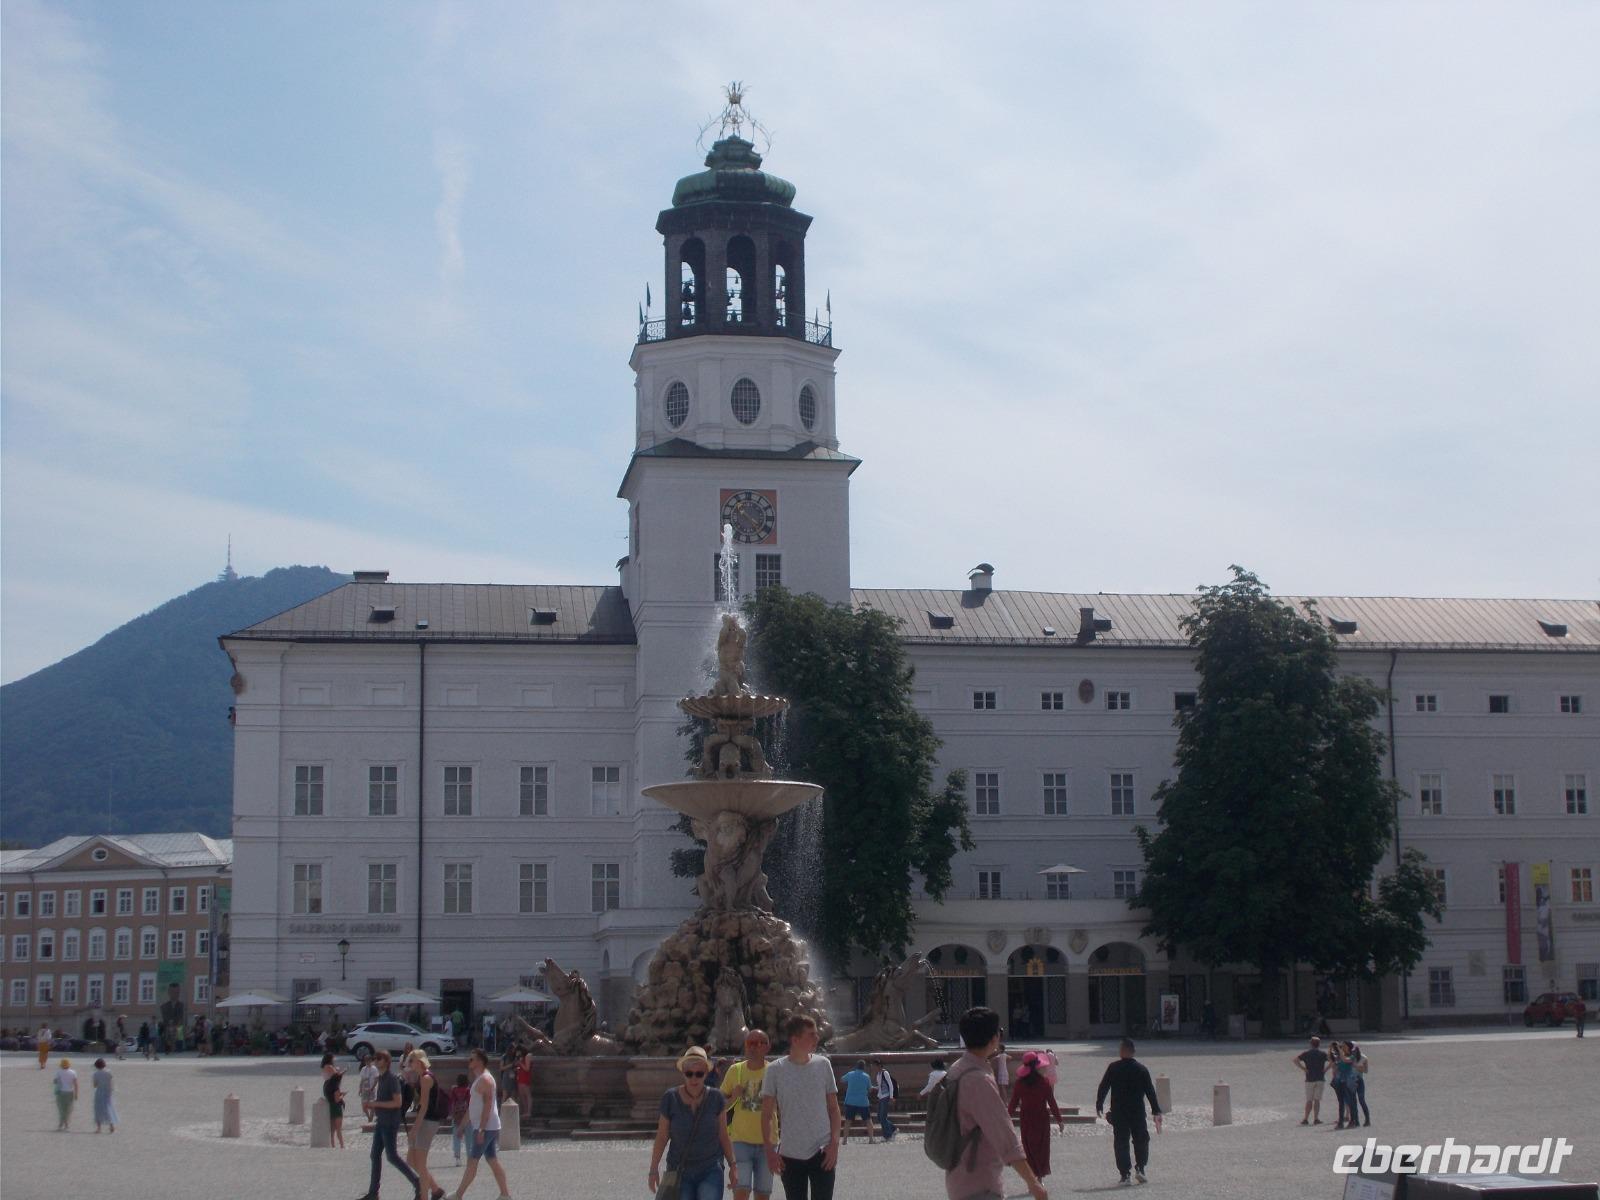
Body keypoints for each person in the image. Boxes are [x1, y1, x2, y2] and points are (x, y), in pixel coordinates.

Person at [940, 1007, 1048, 1200]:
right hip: (980, 1182)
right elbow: (1004, 1135)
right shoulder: (979, 1080)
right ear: (994, 1038)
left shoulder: (956, 1069)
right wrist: (1033, 1182)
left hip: (958, 1176)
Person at [760, 1014, 841, 1200]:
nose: (817, 1038)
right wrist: (769, 1150)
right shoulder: (774, 1070)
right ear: (795, 1040)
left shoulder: (823, 1065)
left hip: (822, 1150)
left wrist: (834, 1144)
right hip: (790, 1152)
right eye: (811, 1035)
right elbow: (766, 1114)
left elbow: (834, 1109)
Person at [649, 1045, 738, 1200]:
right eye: (689, 1074)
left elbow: (723, 1135)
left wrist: (733, 1166)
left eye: (699, 1073)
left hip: (710, 1168)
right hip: (679, 1170)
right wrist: (653, 1168)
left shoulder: (716, 1098)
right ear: (683, 1072)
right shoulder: (670, 1098)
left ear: (706, 1073)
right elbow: (662, 1136)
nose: (694, 1078)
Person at [1094, 1037, 1162, 1186]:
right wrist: (1156, 1109)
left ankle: (1125, 1174)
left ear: (1122, 1051)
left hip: (1119, 1112)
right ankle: (1141, 1168)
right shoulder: (1141, 1069)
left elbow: (1103, 1086)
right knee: (1141, 1140)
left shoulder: (1113, 1068)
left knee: (1121, 1142)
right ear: (1133, 1051)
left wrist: (1099, 1103)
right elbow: (1150, 1091)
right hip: (1137, 1111)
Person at [721, 1029, 775, 1200]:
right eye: (749, 1043)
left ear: (767, 1047)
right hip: (740, 1141)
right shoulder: (734, 1070)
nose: (752, 1047)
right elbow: (719, 1107)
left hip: (768, 1142)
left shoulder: (775, 1071)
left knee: (763, 1194)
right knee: (740, 1191)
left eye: (757, 1043)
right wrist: (734, 1096)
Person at [361, 1050, 421, 1200]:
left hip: (389, 1123)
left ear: (387, 1062)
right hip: (381, 1121)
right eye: (375, 1058)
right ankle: (373, 1192)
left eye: (379, 1058)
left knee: (392, 1156)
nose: (376, 1060)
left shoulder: (392, 1079)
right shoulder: (381, 1078)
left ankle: (417, 1182)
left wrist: (375, 1104)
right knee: (375, 1155)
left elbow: (397, 1102)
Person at [452, 1047, 511, 1200]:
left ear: (479, 1061)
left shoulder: (485, 1079)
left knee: (472, 1161)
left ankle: (458, 1195)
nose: (469, 1062)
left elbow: (488, 1105)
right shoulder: (480, 1079)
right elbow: (473, 1107)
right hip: (486, 1126)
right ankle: (505, 1194)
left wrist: (481, 1129)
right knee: (492, 1160)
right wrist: (463, 1126)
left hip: (486, 1127)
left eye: (471, 1059)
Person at [1008, 1051, 1063, 1180]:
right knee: (1042, 1148)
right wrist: (1059, 1120)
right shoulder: (1044, 1082)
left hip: (1026, 1119)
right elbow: (1052, 1102)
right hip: (1042, 1119)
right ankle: (1039, 1177)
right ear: (1037, 1066)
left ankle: (1032, 1176)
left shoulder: (1020, 1084)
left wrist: (1006, 1118)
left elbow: (1013, 1103)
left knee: (1028, 1147)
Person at [407, 1050, 448, 1200]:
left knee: (421, 1163)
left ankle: (424, 1196)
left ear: (418, 1062)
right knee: (411, 1160)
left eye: (411, 1060)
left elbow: (423, 1106)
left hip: (428, 1121)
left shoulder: (425, 1078)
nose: (409, 1063)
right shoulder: (421, 1077)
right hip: (425, 1121)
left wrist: (414, 1129)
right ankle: (436, 1190)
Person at [1293, 1035, 1329, 1125]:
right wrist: (1326, 1069)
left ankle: (1305, 1118)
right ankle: (1316, 1118)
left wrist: (1303, 1068)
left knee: (1309, 1100)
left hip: (1309, 1078)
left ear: (1311, 1044)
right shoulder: (1323, 1054)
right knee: (1317, 1100)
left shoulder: (1306, 1053)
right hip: (1320, 1078)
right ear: (1319, 1044)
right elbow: (1332, 1061)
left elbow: (1295, 1060)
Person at [839, 1060, 875, 1144]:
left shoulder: (850, 1074)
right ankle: (871, 1139)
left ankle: (844, 1140)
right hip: (863, 1101)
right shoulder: (866, 1076)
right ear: (864, 1068)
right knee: (868, 1120)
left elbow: (841, 1080)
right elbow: (870, 1090)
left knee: (848, 1120)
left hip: (851, 1101)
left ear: (856, 1066)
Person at [321, 1052, 347, 1149]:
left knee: (332, 1129)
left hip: (330, 1101)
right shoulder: (335, 1087)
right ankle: (342, 1145)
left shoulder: (327, 1085)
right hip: (336, 1107)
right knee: (338, 1128)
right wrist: (342, 1096)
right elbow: (337, 1099)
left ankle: (332, 1145)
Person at [449, 1072, 473, 1166]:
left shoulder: (454, 1090)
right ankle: (469, 1157)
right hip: (467, 1117)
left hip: (457, 1117)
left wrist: (452, 1114)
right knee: (469, 1139)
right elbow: (471, 1104)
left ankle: (457, 1158)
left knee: (456, 1138)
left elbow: (451, 1102)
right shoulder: (468, 1090)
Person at [870, 1059, 896, 1143]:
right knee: (880, 1117)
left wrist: (891, 1097)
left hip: (886, 1096)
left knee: (882, 1117)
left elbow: (890, 1085)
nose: (872, 1067)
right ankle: (893, 1129)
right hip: (881, 1097)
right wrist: (875, 1088)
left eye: (873, 1065)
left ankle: (888, 1135)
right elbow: (881, 1086)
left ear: (878, 1065)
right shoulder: (878, 1074)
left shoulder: (885, 1073)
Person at [1346, 1042, 1371, 1126]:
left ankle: (1367, 1119)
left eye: (1353, 1050)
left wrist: (1356, 1066)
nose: (1352, 1052)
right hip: (1351, 1081)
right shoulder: (1349, 1058)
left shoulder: (1364, 1058)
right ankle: (1356, 1121)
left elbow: (1366, 1071)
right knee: (1352, 1101)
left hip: (1359, 1080)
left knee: (1361, 1100)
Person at [91, 1057, 118, 1133]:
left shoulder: (95, 1074)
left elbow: (95, 1085)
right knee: (109, 1109)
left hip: (99, 1092)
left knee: (98, 1110)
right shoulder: (109, 1072)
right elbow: (111, 1083)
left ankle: (99, 1128)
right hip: (108, 1092)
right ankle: (111, 1126)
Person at [53, 1057, 79, 1130]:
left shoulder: (58, 1072)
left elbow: (55, 1081)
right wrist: (76, 1094)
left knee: (61, 1109)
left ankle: (61, 1124)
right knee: (68, 1109)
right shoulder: (73, 1072)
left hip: (61, 1092)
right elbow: (76, 1084)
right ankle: (66, 1124)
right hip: (70, 1092)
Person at [358, 1053, 381, 1119]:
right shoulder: (363, 1069)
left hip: (371, 1089)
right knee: (364, 1106)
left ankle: (371, 1117)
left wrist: (373, 1087)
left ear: (371, 1060)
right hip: (364, 1088)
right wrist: (360, 1088)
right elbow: (362, 1080)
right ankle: (368, 1117)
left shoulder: (374, 1069)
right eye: (366, 1060)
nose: (367, 1062)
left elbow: (376, 1079)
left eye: (368, 1060)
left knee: (372, 1104)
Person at [515, 1048, 533, 1113]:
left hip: (525, 1077)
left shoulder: (527, 1056)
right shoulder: (521, 1057)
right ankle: (525, 1111)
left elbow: (527, 1069)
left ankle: (528, 1112)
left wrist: (520, 1063)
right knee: (522, 1095)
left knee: (527, 1095)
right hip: (520, 1077)